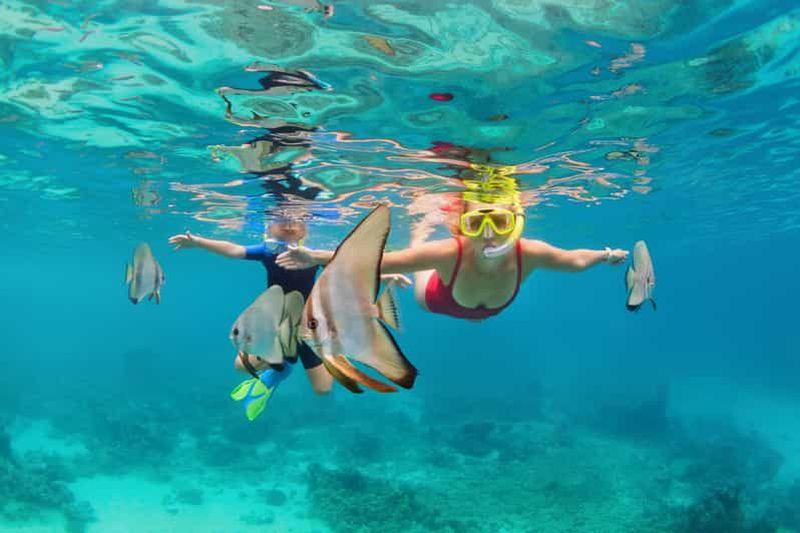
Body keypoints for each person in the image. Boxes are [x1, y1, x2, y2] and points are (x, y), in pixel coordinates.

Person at [276, 176, 629, 321]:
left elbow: (574, 260)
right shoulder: (451, 252)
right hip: (437, 299)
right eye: (476, 224)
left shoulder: (530, 252)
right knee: (416, 260)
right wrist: (317, 256)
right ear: (462, 227)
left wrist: (605, 255)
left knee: (420, 258)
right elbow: (378, 263)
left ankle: (421, 232)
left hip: (486, 307)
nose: (489, 235)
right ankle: (420, 232)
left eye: (500, 223)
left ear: (515, 222)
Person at [168, 219, 335, 399]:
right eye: (282, 221)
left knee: (323, 388)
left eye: (296, 221)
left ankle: (290, 363)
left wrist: (315, 257)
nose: (289, 225)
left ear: (305, 231)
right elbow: (234, 250)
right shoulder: (268, 252)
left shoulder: (315, 254)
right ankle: (280, 367)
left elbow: (345, 258)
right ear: (268, 228)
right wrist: (198, 242)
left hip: (307, 325)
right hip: (274, 325)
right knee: (240, 366)